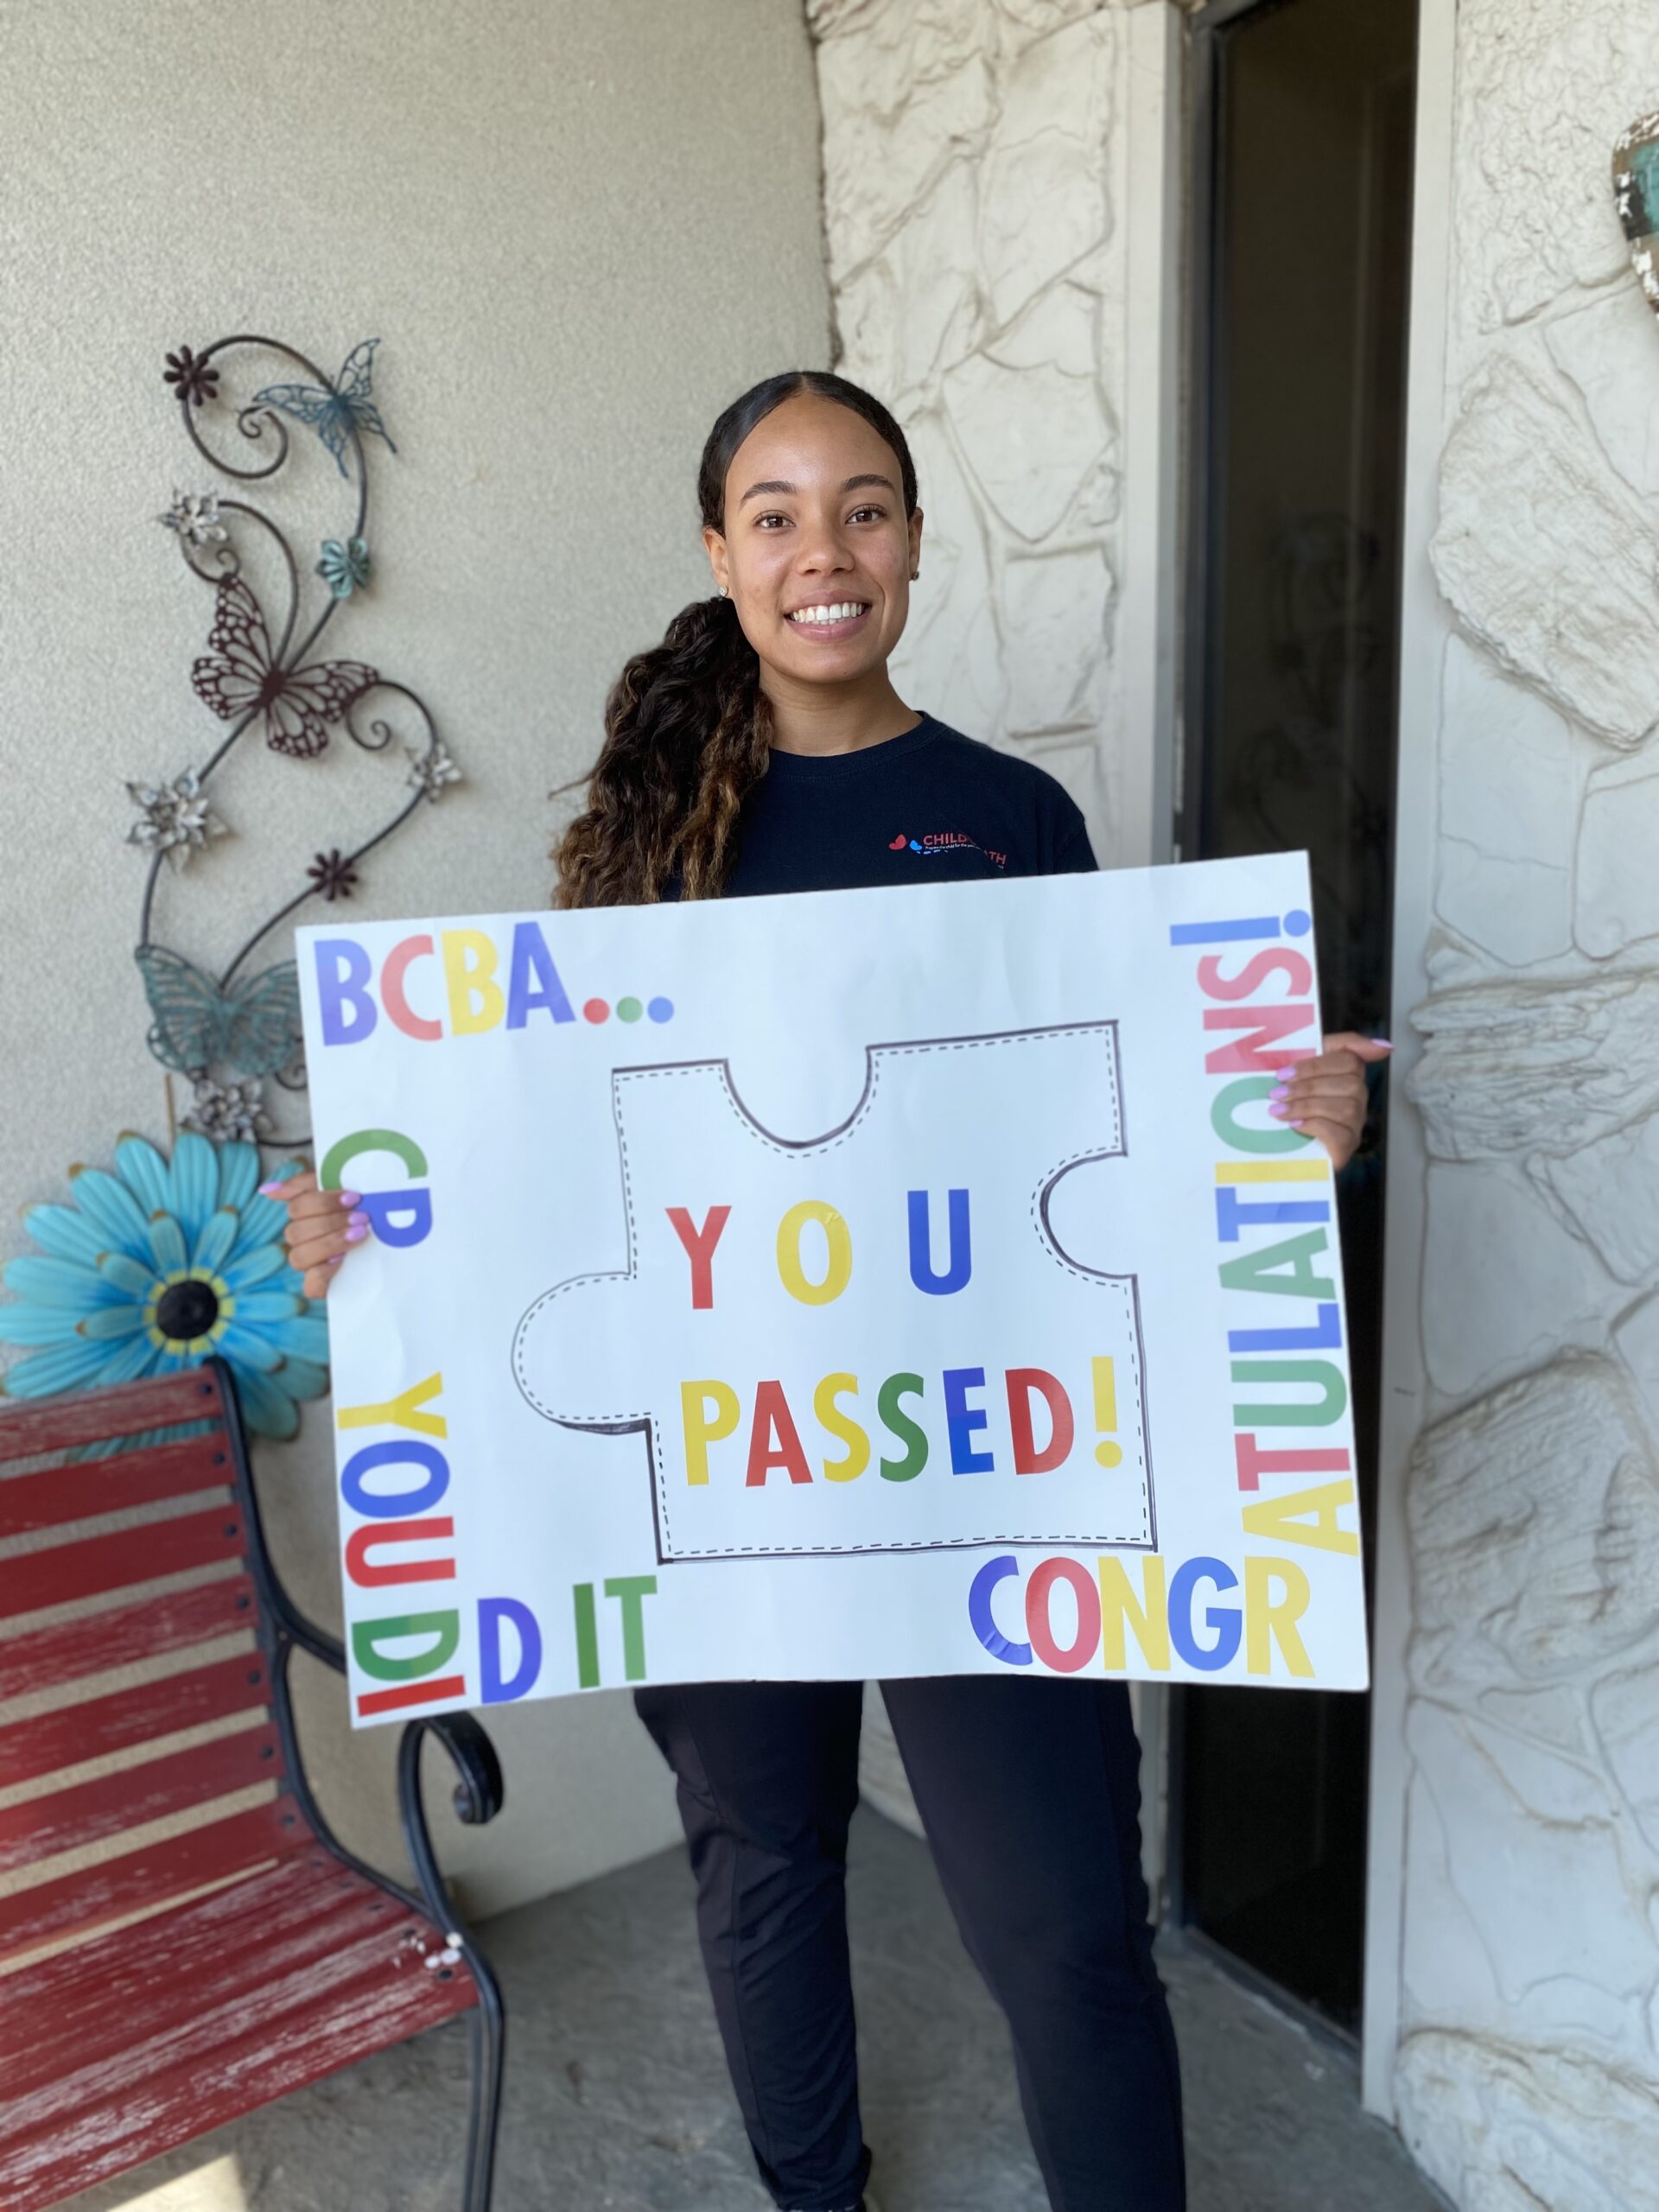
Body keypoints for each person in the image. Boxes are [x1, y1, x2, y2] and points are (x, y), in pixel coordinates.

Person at [267, 370, 1383, 2212]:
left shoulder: (1008, 813)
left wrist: (1281, 1138)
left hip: (982, 1468)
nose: (823, 552)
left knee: (1066, 1925)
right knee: (763, 1851)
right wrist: (379, 1228)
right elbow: (564, 1153)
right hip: (723, 1463)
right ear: (720, 550)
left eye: (863, 506)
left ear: (916, 540)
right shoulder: (644, 847)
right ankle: (815, 2190)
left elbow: (1089, 1118)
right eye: (775, 513)